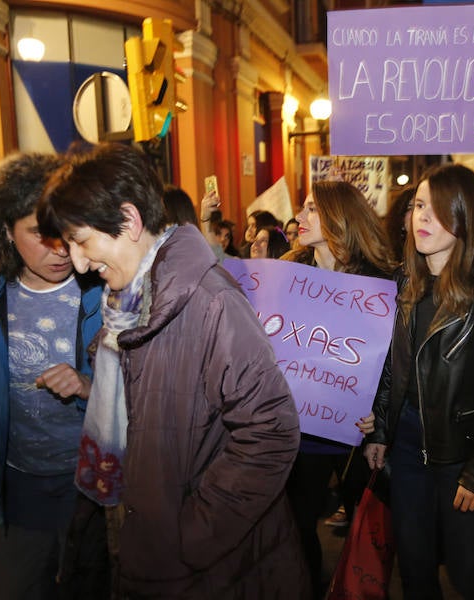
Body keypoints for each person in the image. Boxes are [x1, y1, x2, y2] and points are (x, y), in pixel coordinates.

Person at [37, 142, 307, 598]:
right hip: (156, 552)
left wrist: (190, 536)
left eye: (82, 242)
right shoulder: (129, 304)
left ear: (129, 220)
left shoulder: (207, 301)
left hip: (210, 569)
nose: (79, 263)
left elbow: (271, 431)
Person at [0, 153, 105, 600]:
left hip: (95, 486)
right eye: (40, 233)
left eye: (67, 231)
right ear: (5, 231)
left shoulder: (106, 284)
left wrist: (89, 385)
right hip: (17, 485)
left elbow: (149, 381)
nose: (59, 249)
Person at [364, 163, 474, 600]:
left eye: (435, 209)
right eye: (417, 206)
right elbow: (390, 367)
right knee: (415, 572)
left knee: (466, 574)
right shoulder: (403, 282)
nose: (422, 218)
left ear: (464, 216)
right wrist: (381, 429)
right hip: (408, 449)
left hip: (464, 452)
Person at [282, 180, 395, 597]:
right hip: (303, 431)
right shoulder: (291, 273)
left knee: (364, 529)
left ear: (336, 217)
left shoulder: (378, 284)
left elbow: (390, 363)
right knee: (297, 525)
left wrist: (379, 422)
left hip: (354, 434)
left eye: (311, 209)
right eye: (302, 208)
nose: (300, 217)